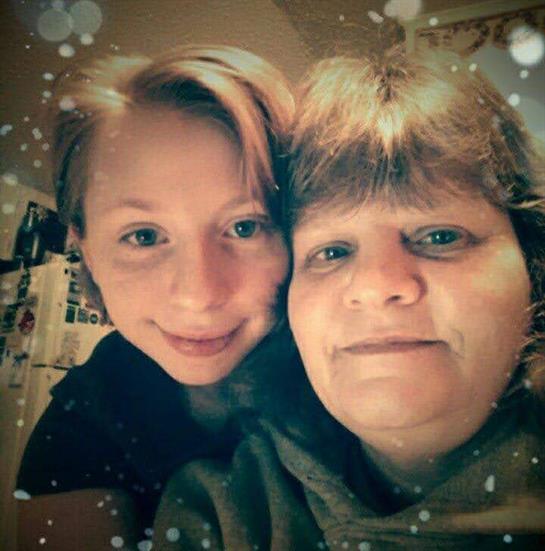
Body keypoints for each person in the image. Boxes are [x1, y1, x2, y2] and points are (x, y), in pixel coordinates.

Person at [152, 47, 545, 549]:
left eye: (441, 237)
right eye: (332, 251)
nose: (376, 286)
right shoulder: (221, 514)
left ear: (534, 269)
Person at [15, 45, 294, 548]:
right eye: (143, 236)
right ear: (86, 250)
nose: (199, 295)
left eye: (245, 226)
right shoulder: (75, 439)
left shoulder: (359, 366)